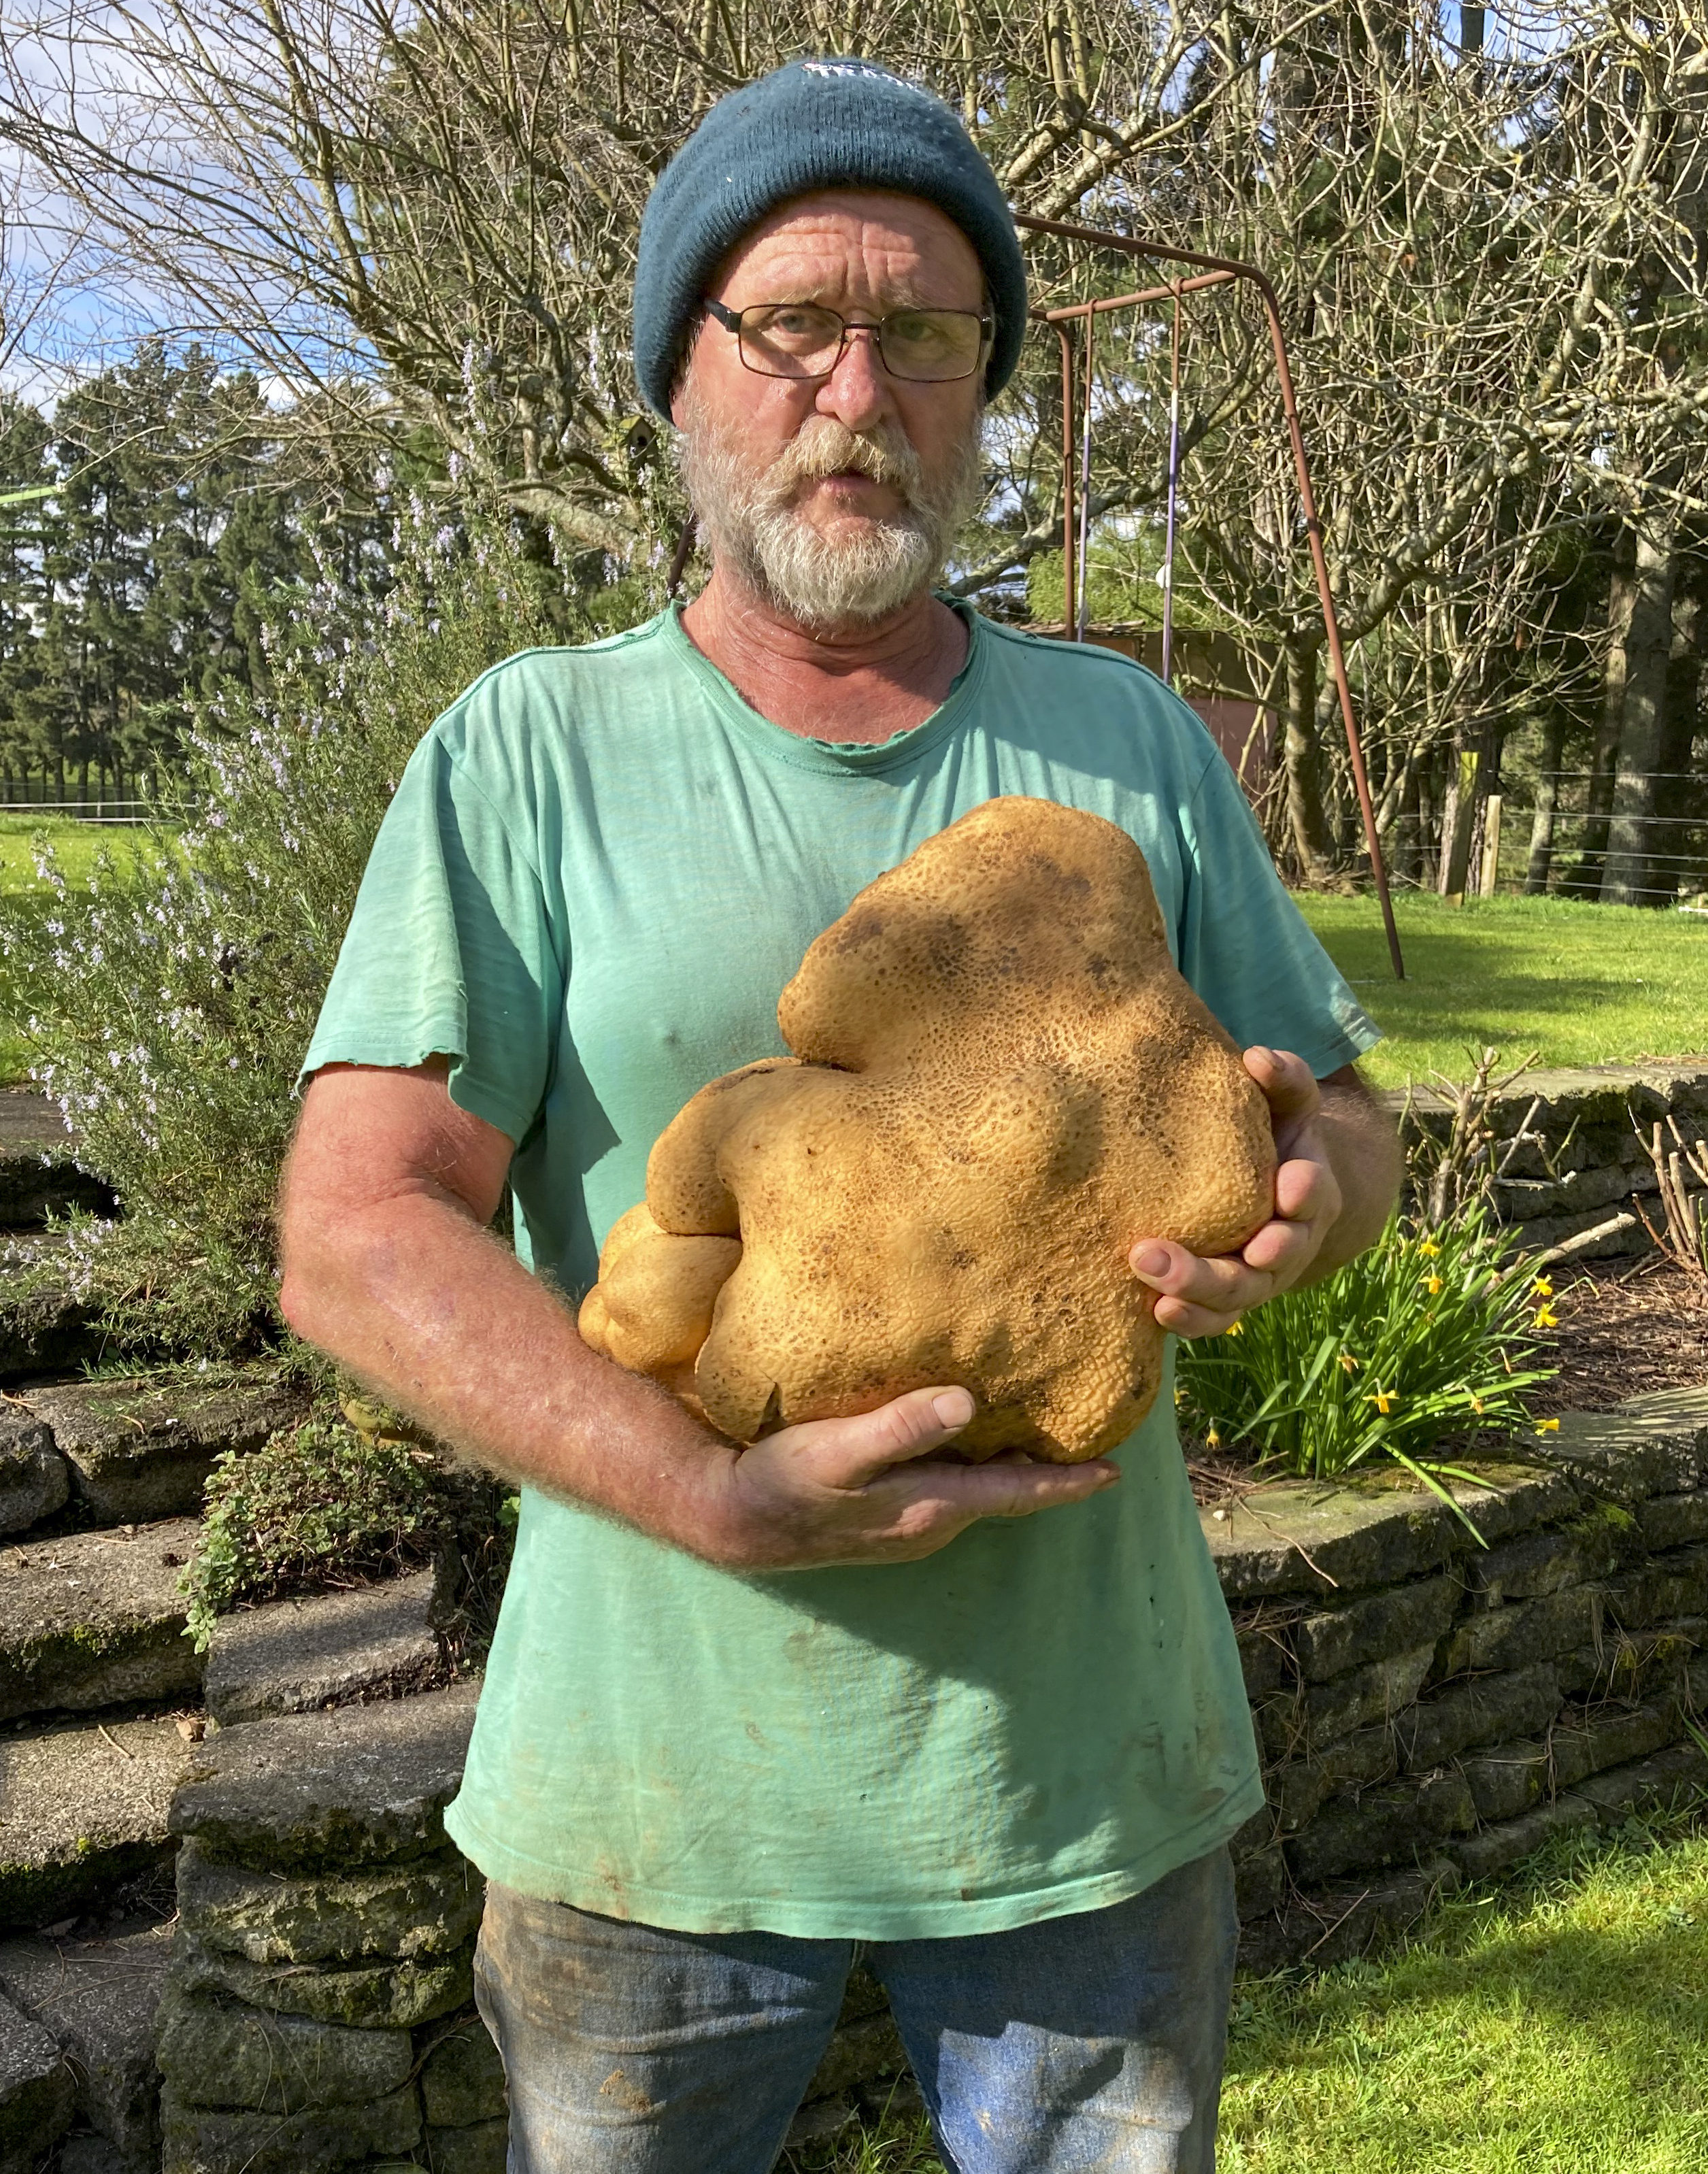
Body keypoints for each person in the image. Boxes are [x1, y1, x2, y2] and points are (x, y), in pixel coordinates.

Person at [278, 56, 1401, 2174]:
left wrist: (1302, 1201)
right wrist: (704, 1491)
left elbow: (1344, 1120)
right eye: (795, 322)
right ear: (681, 373)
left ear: (983, 393)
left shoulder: (1131, 744)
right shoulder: (528, 753)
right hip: (651, 1806)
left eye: (930, 333)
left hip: (1078, 1794)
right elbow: (355, 1228)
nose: (860, 389)